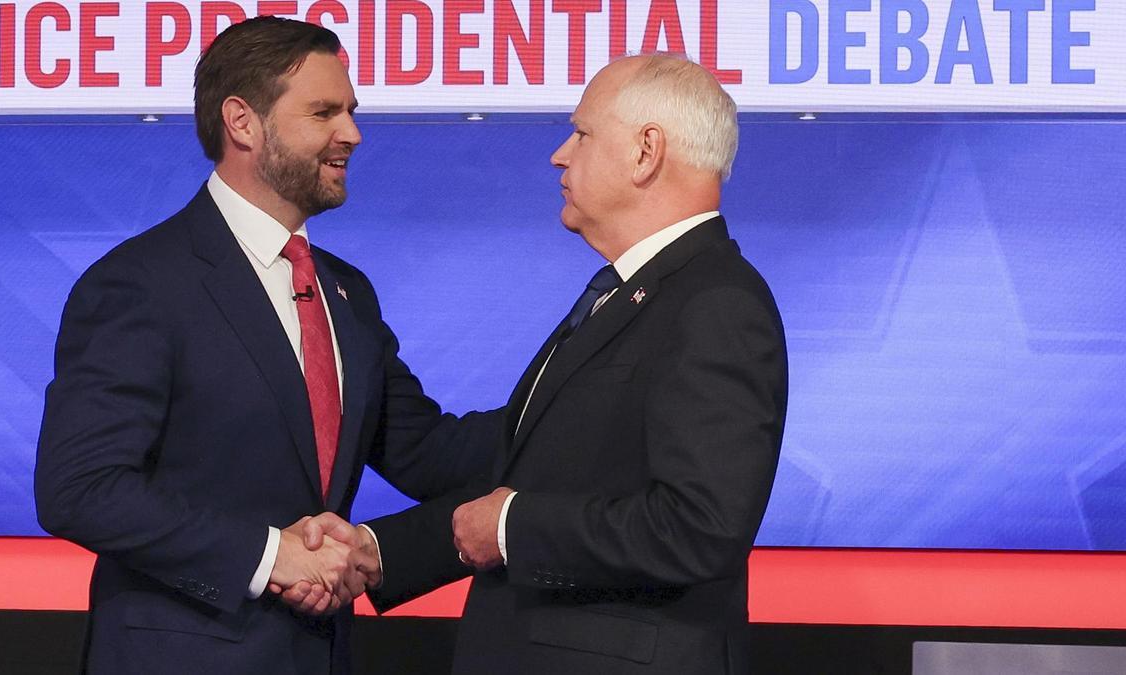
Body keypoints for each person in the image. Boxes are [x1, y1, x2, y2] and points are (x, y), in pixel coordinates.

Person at [291, 53, 789, 674]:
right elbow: (510, 461)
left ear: (645, 152)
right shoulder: (630, 295)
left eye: (581, 133)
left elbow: (698, 528)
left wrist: (511, 527)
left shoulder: (715, 303)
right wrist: (378, 548)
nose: (560, 154)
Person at [34, 17, 496, 675]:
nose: (352, 134)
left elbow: (426, 452)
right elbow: (80, 487)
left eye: (351, 111)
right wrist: (267, 553)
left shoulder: (347, 293)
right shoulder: (141, 283)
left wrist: (568, 405)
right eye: (324, 112)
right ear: (242, 122)